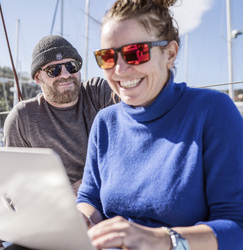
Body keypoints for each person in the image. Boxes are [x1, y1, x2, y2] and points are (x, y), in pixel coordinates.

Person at [76, 0, 243, 249]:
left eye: (136, 52)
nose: (120, 69)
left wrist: (163, 240)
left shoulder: (212, 111)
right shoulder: (105, 122)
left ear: (170, 53)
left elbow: (236, 226)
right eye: (108, 57)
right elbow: (91, 199)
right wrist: (80, 219)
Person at [3, 35, 115, 195]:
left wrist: (82, 189)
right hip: (56, 209)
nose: (65, 74)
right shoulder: (22, 119)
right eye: (53, 70)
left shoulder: (98, 92)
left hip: (109, 200)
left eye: (71, 66)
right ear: (37, 77)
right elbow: (14, 187)